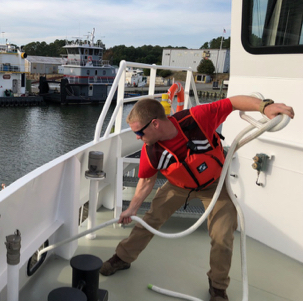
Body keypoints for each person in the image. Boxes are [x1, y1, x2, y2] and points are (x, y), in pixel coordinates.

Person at [99, 96, 294, 301]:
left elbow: (232, 102)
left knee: (222, 235)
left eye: (139, 132)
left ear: (155, 123)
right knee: (149, 220)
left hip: (215, 186)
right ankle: (122, 258)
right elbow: (147, 182)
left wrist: (265, 107)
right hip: (177, 187)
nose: (138, 137)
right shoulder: (151, 150)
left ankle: (218, 287)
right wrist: (131, 210)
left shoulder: (197, 119)